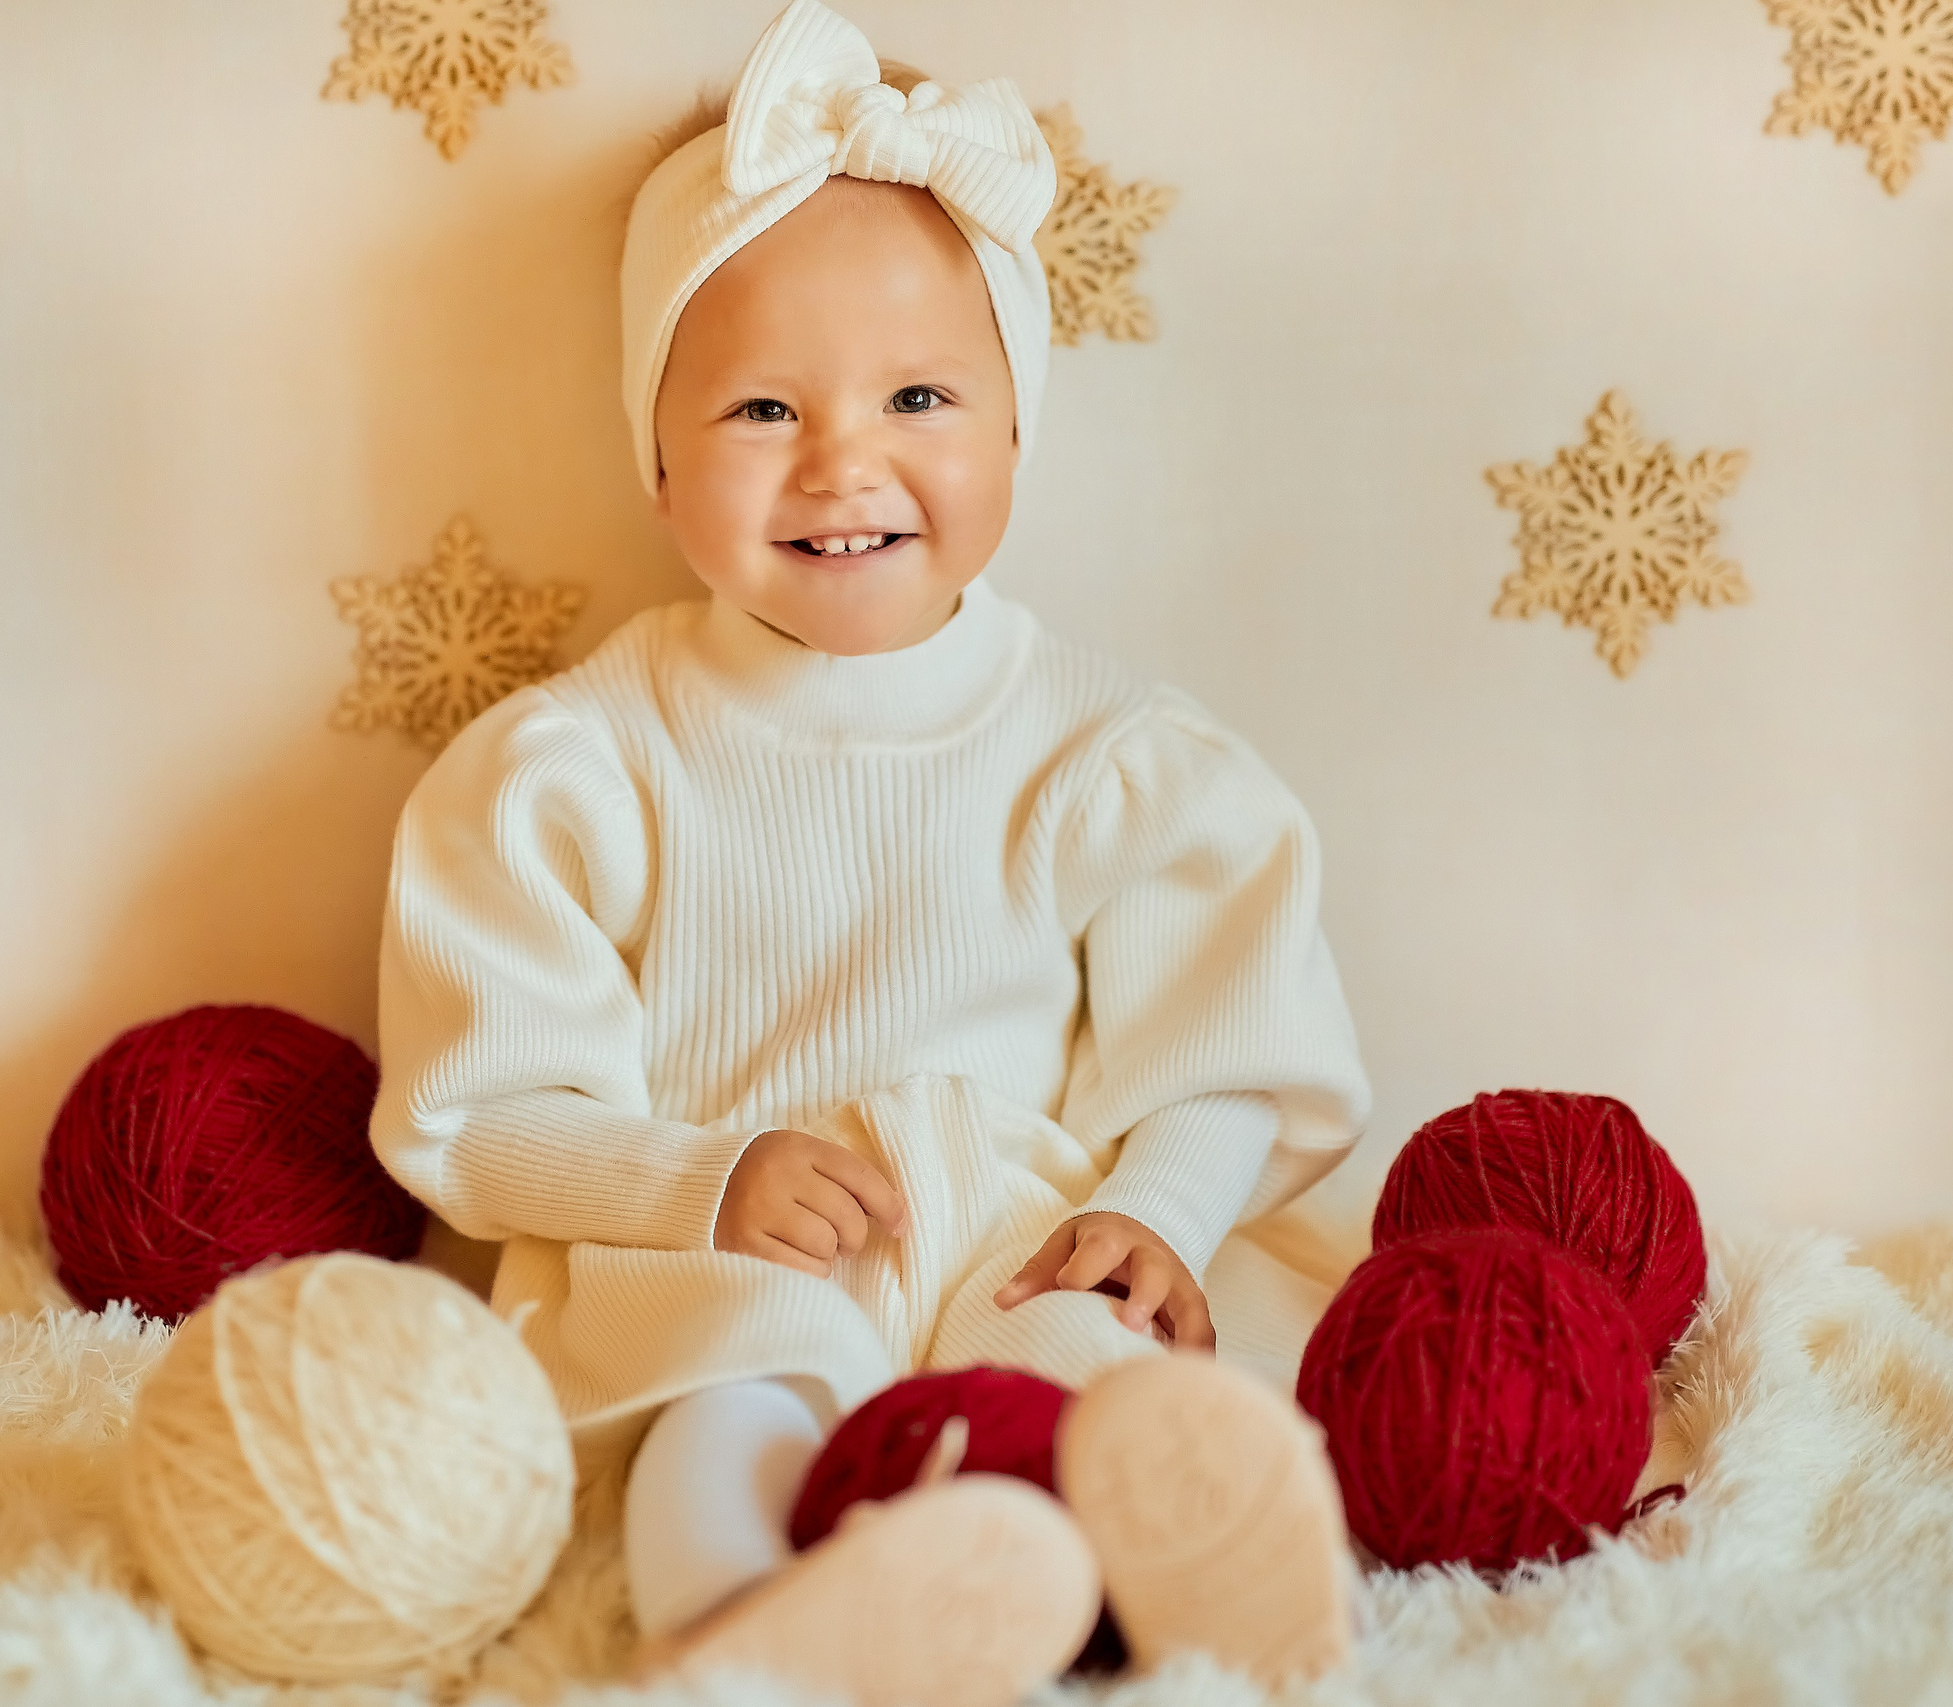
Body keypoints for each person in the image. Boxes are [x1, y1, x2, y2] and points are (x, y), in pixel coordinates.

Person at [370, 4, 1371, 1701]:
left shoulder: (1101, 756)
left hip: (1016, 1234)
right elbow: (477, 1103)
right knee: (736, 1404)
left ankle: (1205, 1598)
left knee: (1104, 1381)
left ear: (1011, 431)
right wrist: (696, 1183)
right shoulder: (584, 767)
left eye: (920, 393)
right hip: (733, 1247)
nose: (846, 461)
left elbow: (1235, 1045)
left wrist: (1157, 1212)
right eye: (764, 406)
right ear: (661, 459)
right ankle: (744, 1616)